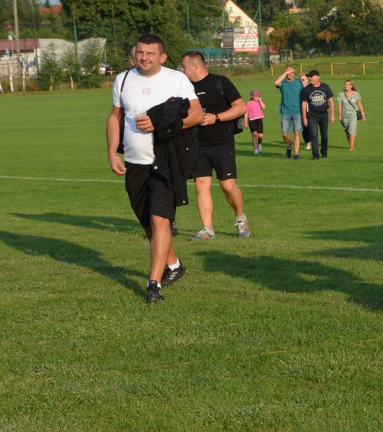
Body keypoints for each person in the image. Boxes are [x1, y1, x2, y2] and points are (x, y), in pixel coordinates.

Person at [107, 34, 202, 304]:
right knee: (148, 225)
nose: (144, 57)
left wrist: (163, 125)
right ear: (134, 53)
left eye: (150, 53)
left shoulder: (176, 79)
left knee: (161, 221)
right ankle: (174, 265)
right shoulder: (123, 79)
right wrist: (112, 152)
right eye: (140, 52)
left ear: (162, 57)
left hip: (165, 162)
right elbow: (115, 116)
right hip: (135, 164)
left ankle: (154, 283)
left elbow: (196, 114)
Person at [179, 51, 251, 242]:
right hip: (196, 144)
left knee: (227, 186)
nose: (181, 70)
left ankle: (240, 217)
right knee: (201, 186)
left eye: (183, 66)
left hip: (222, 143)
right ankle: (207, 229)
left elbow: (240, 107)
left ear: (195, 66)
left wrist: (216, 118)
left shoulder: (220, 82)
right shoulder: (184, 87)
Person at [300, 69, 334, 159]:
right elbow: (303, 104)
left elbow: (331, 101)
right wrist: (304, 118)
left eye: (312, 76)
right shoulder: (306, 89)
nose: (310, 78)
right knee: (314, 135)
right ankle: (315, 155)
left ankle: (324, 151)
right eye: (309, 76)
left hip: (323, 115)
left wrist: (332, 115)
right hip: (312, 115)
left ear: (318, 77)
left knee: (325, 135)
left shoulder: (325, 87)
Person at [274, 66, 304, 160]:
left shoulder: (298, 82)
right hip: (285, 111)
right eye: (288, 72)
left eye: (292, 72)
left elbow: (305, 89)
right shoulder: (282, 83)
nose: (290, 74)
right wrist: (285, 73)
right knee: (285, 134)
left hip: (297, 111)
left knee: (296, 133)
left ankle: (296, 154)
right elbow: (276, 82)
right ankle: (289, 147)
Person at [336, 79, 366, 150]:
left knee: (352, 130)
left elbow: (359, 104)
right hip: (344, 115)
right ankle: (351, 144)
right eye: (345, 84)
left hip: (353, 115)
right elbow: (339, 105)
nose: (345, 86)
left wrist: (363, 114)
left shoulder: (356, 94)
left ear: (351, 86)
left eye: (347, 85)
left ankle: (351, 146)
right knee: (347, 132)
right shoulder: (341, 94)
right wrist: (340, 115)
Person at [245, 90, 266, 154]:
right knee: (254, 135)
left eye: (258, 96)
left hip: (259, 119)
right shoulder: (248, 103)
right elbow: (246, 113)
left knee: (261, 136)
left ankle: (259, 144)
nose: (258, 97)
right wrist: (245, 123)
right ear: (252, 97)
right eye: (256, 97)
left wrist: (260, 100)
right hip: (252, 120)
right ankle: (256, 149)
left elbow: (264, 107)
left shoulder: (259, 102)